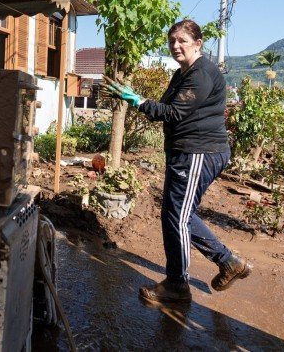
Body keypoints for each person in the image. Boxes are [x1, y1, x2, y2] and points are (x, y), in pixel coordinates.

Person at [103, 19, 251, 304]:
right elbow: (166, 108)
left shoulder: (201, 74)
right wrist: (141, 101)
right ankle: (228, 262)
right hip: (186, 151)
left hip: (199, 152)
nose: (175, 46)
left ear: (198, 43)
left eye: (182, 40)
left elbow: (172, 113)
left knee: (178, 217)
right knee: (177, 214)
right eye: (172, 41)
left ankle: (177, 285)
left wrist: (136, 100)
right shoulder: (182, 74)